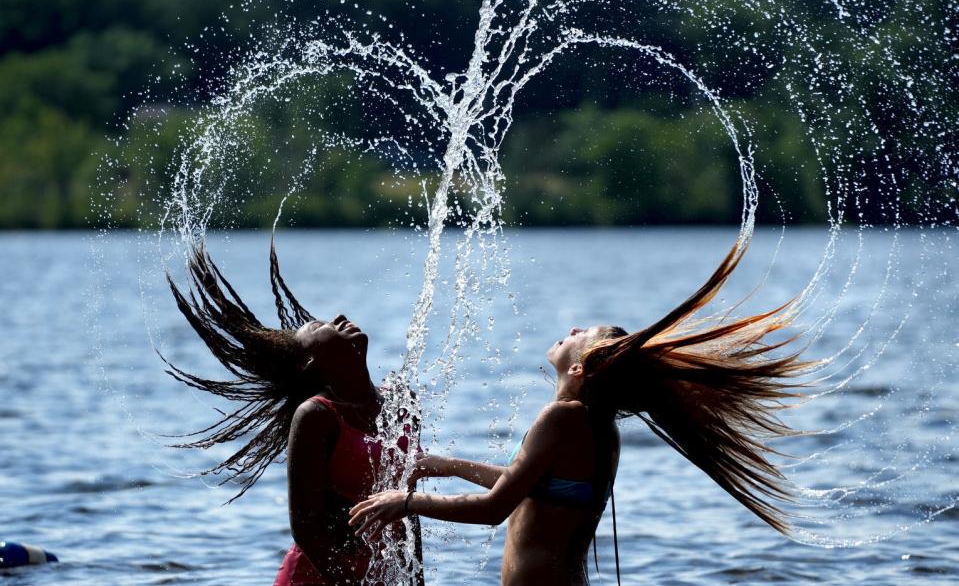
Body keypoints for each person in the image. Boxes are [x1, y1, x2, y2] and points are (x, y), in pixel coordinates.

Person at [350, 242, 814, 585]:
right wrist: (446, 467)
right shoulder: (597, 426)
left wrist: (405, 503)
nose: (570, 329)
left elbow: (497, 509)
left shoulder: (563, 418)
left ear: (579, 366)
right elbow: (527, 486)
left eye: (580, 332)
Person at [161, 240, 422, 585]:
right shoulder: (316, 416)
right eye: (320, 327)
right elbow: (306, 528)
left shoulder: (403, 401)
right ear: (311, 362)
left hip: (382, 575)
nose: (340, 319)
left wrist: (416, 579)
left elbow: (410, 509)